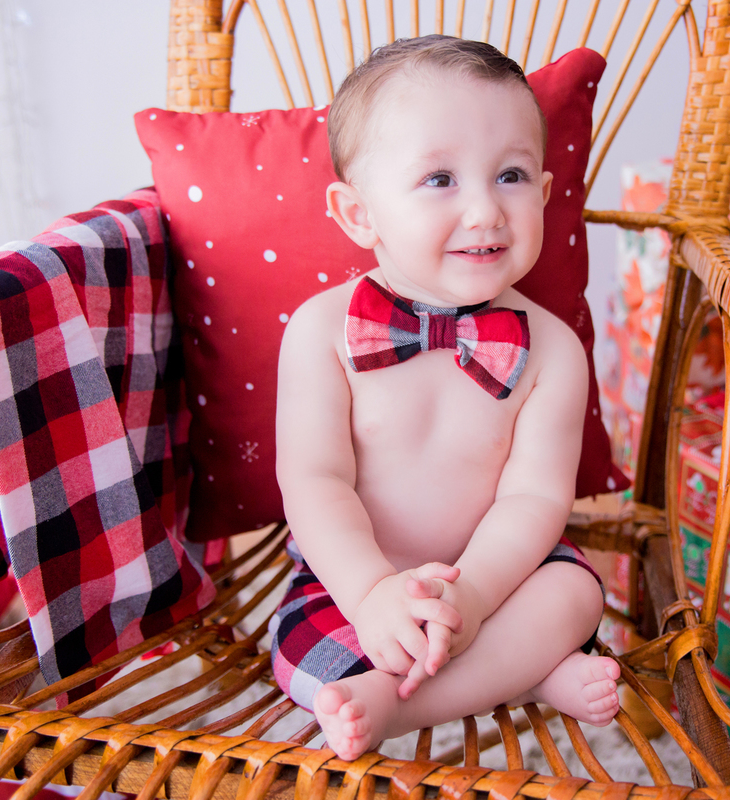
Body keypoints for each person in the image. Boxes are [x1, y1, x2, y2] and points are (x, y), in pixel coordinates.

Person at [272, 34, 619, 761]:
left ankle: (408, 706)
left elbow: (533, 501)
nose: (487, 211)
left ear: (548, 194)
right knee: (305, 654)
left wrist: (476, 598)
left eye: (512, 175)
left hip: (498, 575)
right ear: (358, 213)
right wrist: (372, 596)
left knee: (577, 596)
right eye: (440, 180)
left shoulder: (551, 348)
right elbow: (314, 479)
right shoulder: (320, 333)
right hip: (354, 578)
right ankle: (523, 675)